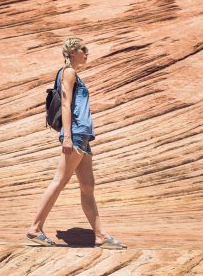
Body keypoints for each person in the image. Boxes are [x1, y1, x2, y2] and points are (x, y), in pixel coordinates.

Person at [26, 38, 127, 249]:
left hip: (84, 135)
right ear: (72, 52)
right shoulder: (68, 73)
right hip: (76, 133)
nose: (87, 53)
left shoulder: (73, 74)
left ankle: (99, 235)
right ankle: (35, 229)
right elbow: (65, 103)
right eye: (83, 49)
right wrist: (69, 137)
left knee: (88, 185)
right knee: (59, 180)